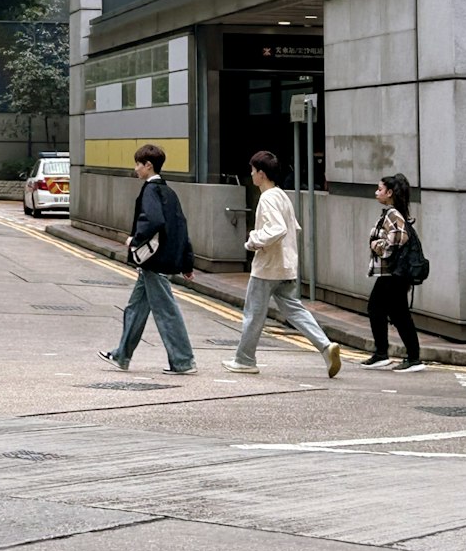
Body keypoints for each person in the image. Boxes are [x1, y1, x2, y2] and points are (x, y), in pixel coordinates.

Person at [223, 150, 341, 378]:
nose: (251, 174)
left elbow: (278, 229)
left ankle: (245, 360)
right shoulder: (281, 196)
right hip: (286, 266)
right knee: (295, 311)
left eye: (253, 170)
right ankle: (326, 347)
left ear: (262, 174)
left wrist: (253, 241)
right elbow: (293, 228)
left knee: (253, 315)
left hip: (267, 268)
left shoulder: (267, 198)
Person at [98, 143, 198, 375]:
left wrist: (134, 240)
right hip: (161, 260)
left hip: (154, 260)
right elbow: (181, 227)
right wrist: (187, 262)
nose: (135, 169)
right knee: (135, 308)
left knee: (166, 311)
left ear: (148, 166)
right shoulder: (169, 192)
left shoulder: (150, 190)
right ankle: (122, 355)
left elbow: (153, 221)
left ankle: (183, 361)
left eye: (138, 164)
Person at [362, 172, 424, 372]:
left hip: (392, 274)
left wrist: (376, 246)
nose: (376, 192)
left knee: (380, 309)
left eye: (379, 189)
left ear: (389, 193)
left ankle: (394, 355)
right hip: (394, 274)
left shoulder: (392, 214)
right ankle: (396, 355)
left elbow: (398, 239)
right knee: (395, 313)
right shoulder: (393, 212)